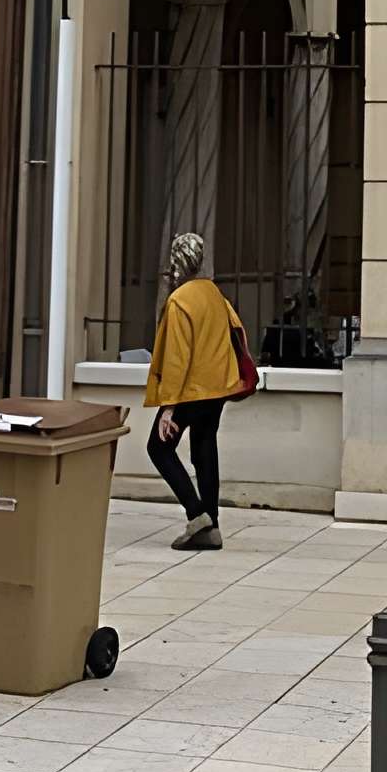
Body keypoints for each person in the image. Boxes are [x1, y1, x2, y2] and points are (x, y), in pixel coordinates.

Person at [142, 229, 244, 550]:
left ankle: (196, 512)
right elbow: (236, 332)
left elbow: (177, 357)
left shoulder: (178, 301)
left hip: (190, 390)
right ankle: (211, 527)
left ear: (177, 262)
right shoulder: (214, 294)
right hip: (218, 388)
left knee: (158, 448)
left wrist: (168, 407)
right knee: (204, 446)